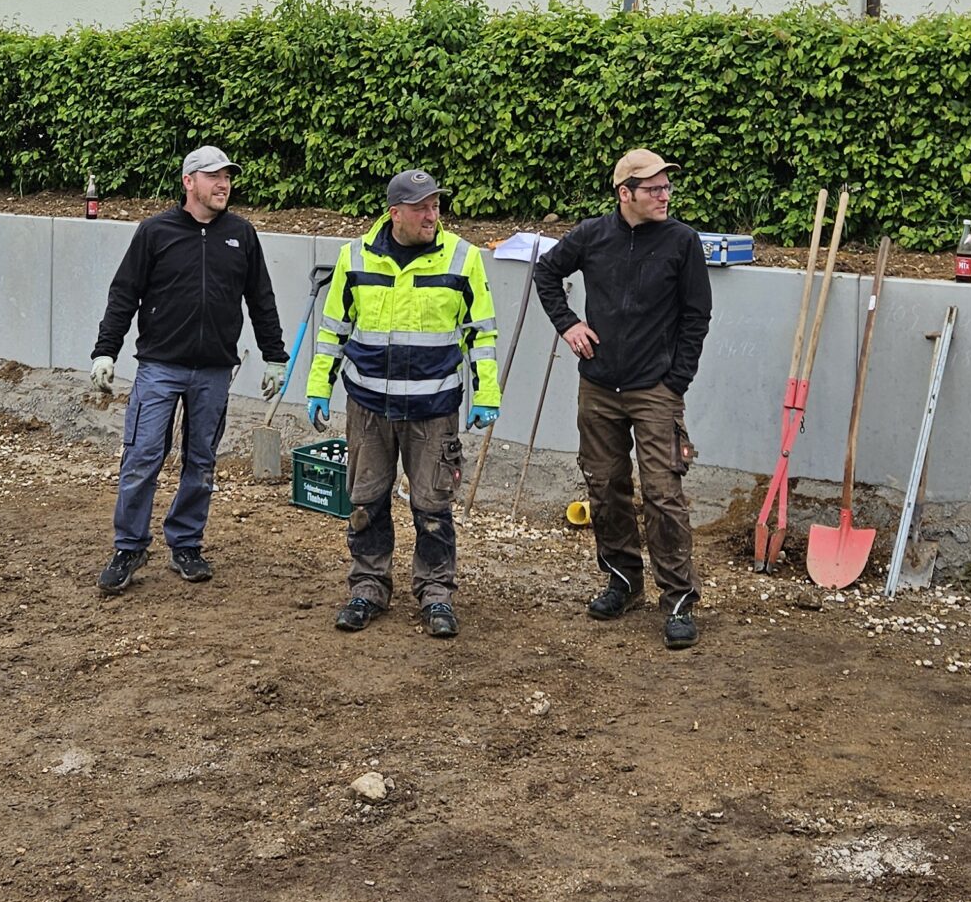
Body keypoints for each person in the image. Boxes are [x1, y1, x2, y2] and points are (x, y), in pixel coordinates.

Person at [305, 170, 500, 639]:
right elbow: (334, 329)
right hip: (368, 407)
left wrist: (487, 394)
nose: (432, 215)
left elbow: (481, 334)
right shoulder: (354, 257)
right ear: (395, 213)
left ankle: (436, 594)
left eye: (435, 205)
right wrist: (318, 387)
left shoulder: (463, 258)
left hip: (434, 410)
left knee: (433, 506)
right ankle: (368, 587)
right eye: (421, 208)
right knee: (367, 501)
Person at [532, 147, 714, 649]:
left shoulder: (682, 242)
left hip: (655, 390)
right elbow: (546, 273)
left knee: (663, 495)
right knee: (605, 486)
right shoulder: (592, 235)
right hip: (598, 387)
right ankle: (623, 581)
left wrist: (676, 382)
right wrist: (568, 324)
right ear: (624, 193)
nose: (664, 195)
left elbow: (697, 316)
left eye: (666, 187)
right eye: (653, 189)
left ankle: (677, 600)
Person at [89, 146, 287, 596]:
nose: (223, 184)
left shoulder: (241, 234)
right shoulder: (155, 232)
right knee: (142, 458)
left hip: (214, 371)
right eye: (213, 176)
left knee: (201, 462)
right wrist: (105, 351)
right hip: (159, 367)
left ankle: (186, 544)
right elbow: (124, 294)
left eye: (227, 177)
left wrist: (275, 356)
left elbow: (261, 299)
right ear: (188, 182)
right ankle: (129, 547)